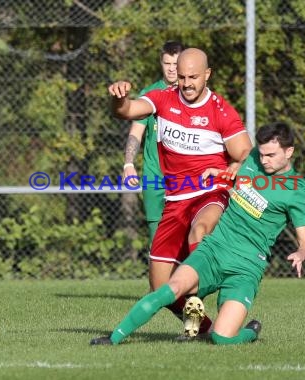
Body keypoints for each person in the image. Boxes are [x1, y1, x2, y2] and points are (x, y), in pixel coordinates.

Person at [91, 121, 305, 345]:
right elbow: (240, 177)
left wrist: (301, 254)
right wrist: (220, 173)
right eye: (262, 154)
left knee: (221, 338)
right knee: (170, 289)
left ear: (289, 151)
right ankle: (113, 338)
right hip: (214, 250)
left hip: (246, 268)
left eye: (271, 155)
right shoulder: (255, 157)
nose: (264, 160)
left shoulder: (297, 190)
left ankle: (250, 332)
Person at [110, 48, 253, 336]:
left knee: (199, 230)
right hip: (175, 200)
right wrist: (118, 99)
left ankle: (221, 281)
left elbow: (245, 154)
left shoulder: (221, 111)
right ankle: (207, 330)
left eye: (193, 77)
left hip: (210, 192)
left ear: (207, 75)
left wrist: (233, 169)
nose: (186, 83)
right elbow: (126, 112)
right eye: (183, 77)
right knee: (161, 289)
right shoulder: (162, 98)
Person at [123, 41, 185, 245]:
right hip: (155, 177)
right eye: (167, 63)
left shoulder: (194, 95)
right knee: (157, 242)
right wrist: (129, 164)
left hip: (186, 178)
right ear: (161, 63)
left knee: (189, 239)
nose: (171, 68)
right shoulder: (150, 95)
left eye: (176, 64)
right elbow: (136, 132)